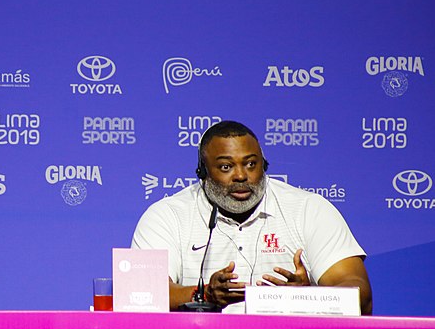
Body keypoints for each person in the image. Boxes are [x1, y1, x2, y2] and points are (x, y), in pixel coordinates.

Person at [131, 120, 372, 314]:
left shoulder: (309, 209)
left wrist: (308, 298)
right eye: (226, 167)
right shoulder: (167, 216)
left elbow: (358, 291)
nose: (241, 176)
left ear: (264, 166)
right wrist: (203, 295)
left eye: (250, 164)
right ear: (202, 173)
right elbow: (141, 292)